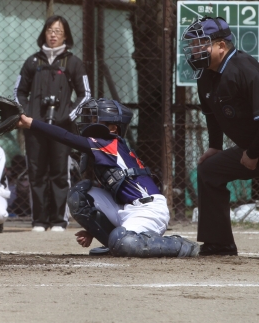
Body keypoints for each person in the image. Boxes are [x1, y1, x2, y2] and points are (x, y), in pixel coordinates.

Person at [17, 98, 199, 257]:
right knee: (80, 196)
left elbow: (66, 137)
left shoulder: (109, 143)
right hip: (126, 207)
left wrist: (30, 123)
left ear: (113, 128)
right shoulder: (104, 149)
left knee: (123, 242)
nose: (89, 123)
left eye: (96, 119)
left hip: (149, 210)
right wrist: (94, 230)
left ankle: (179, 245)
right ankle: (114, 242)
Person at [182, 16, 259, 256]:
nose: (195, 50)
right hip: (251, 148)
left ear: (221, 46)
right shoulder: (206, 74)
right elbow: (212, 115)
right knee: (210, 170)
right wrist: (214, 146)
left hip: (255, 148)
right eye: (192, 45)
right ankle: (219, 244)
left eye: (200, 44)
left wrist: (253, 153)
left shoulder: (246, 70)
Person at [14, 15, 91, 232]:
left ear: (66, 35)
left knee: (59, 173)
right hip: (34, 126)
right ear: (44, 33)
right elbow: (19, 92)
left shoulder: (73, 62)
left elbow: (85, 94)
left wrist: (68, 116)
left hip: (61, 129)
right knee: (36, 172)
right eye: (50, 30)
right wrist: (27, 114)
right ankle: (39, 220)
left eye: (58, 31)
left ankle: (58, 220)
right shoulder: (32, 62)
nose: (53, 35)